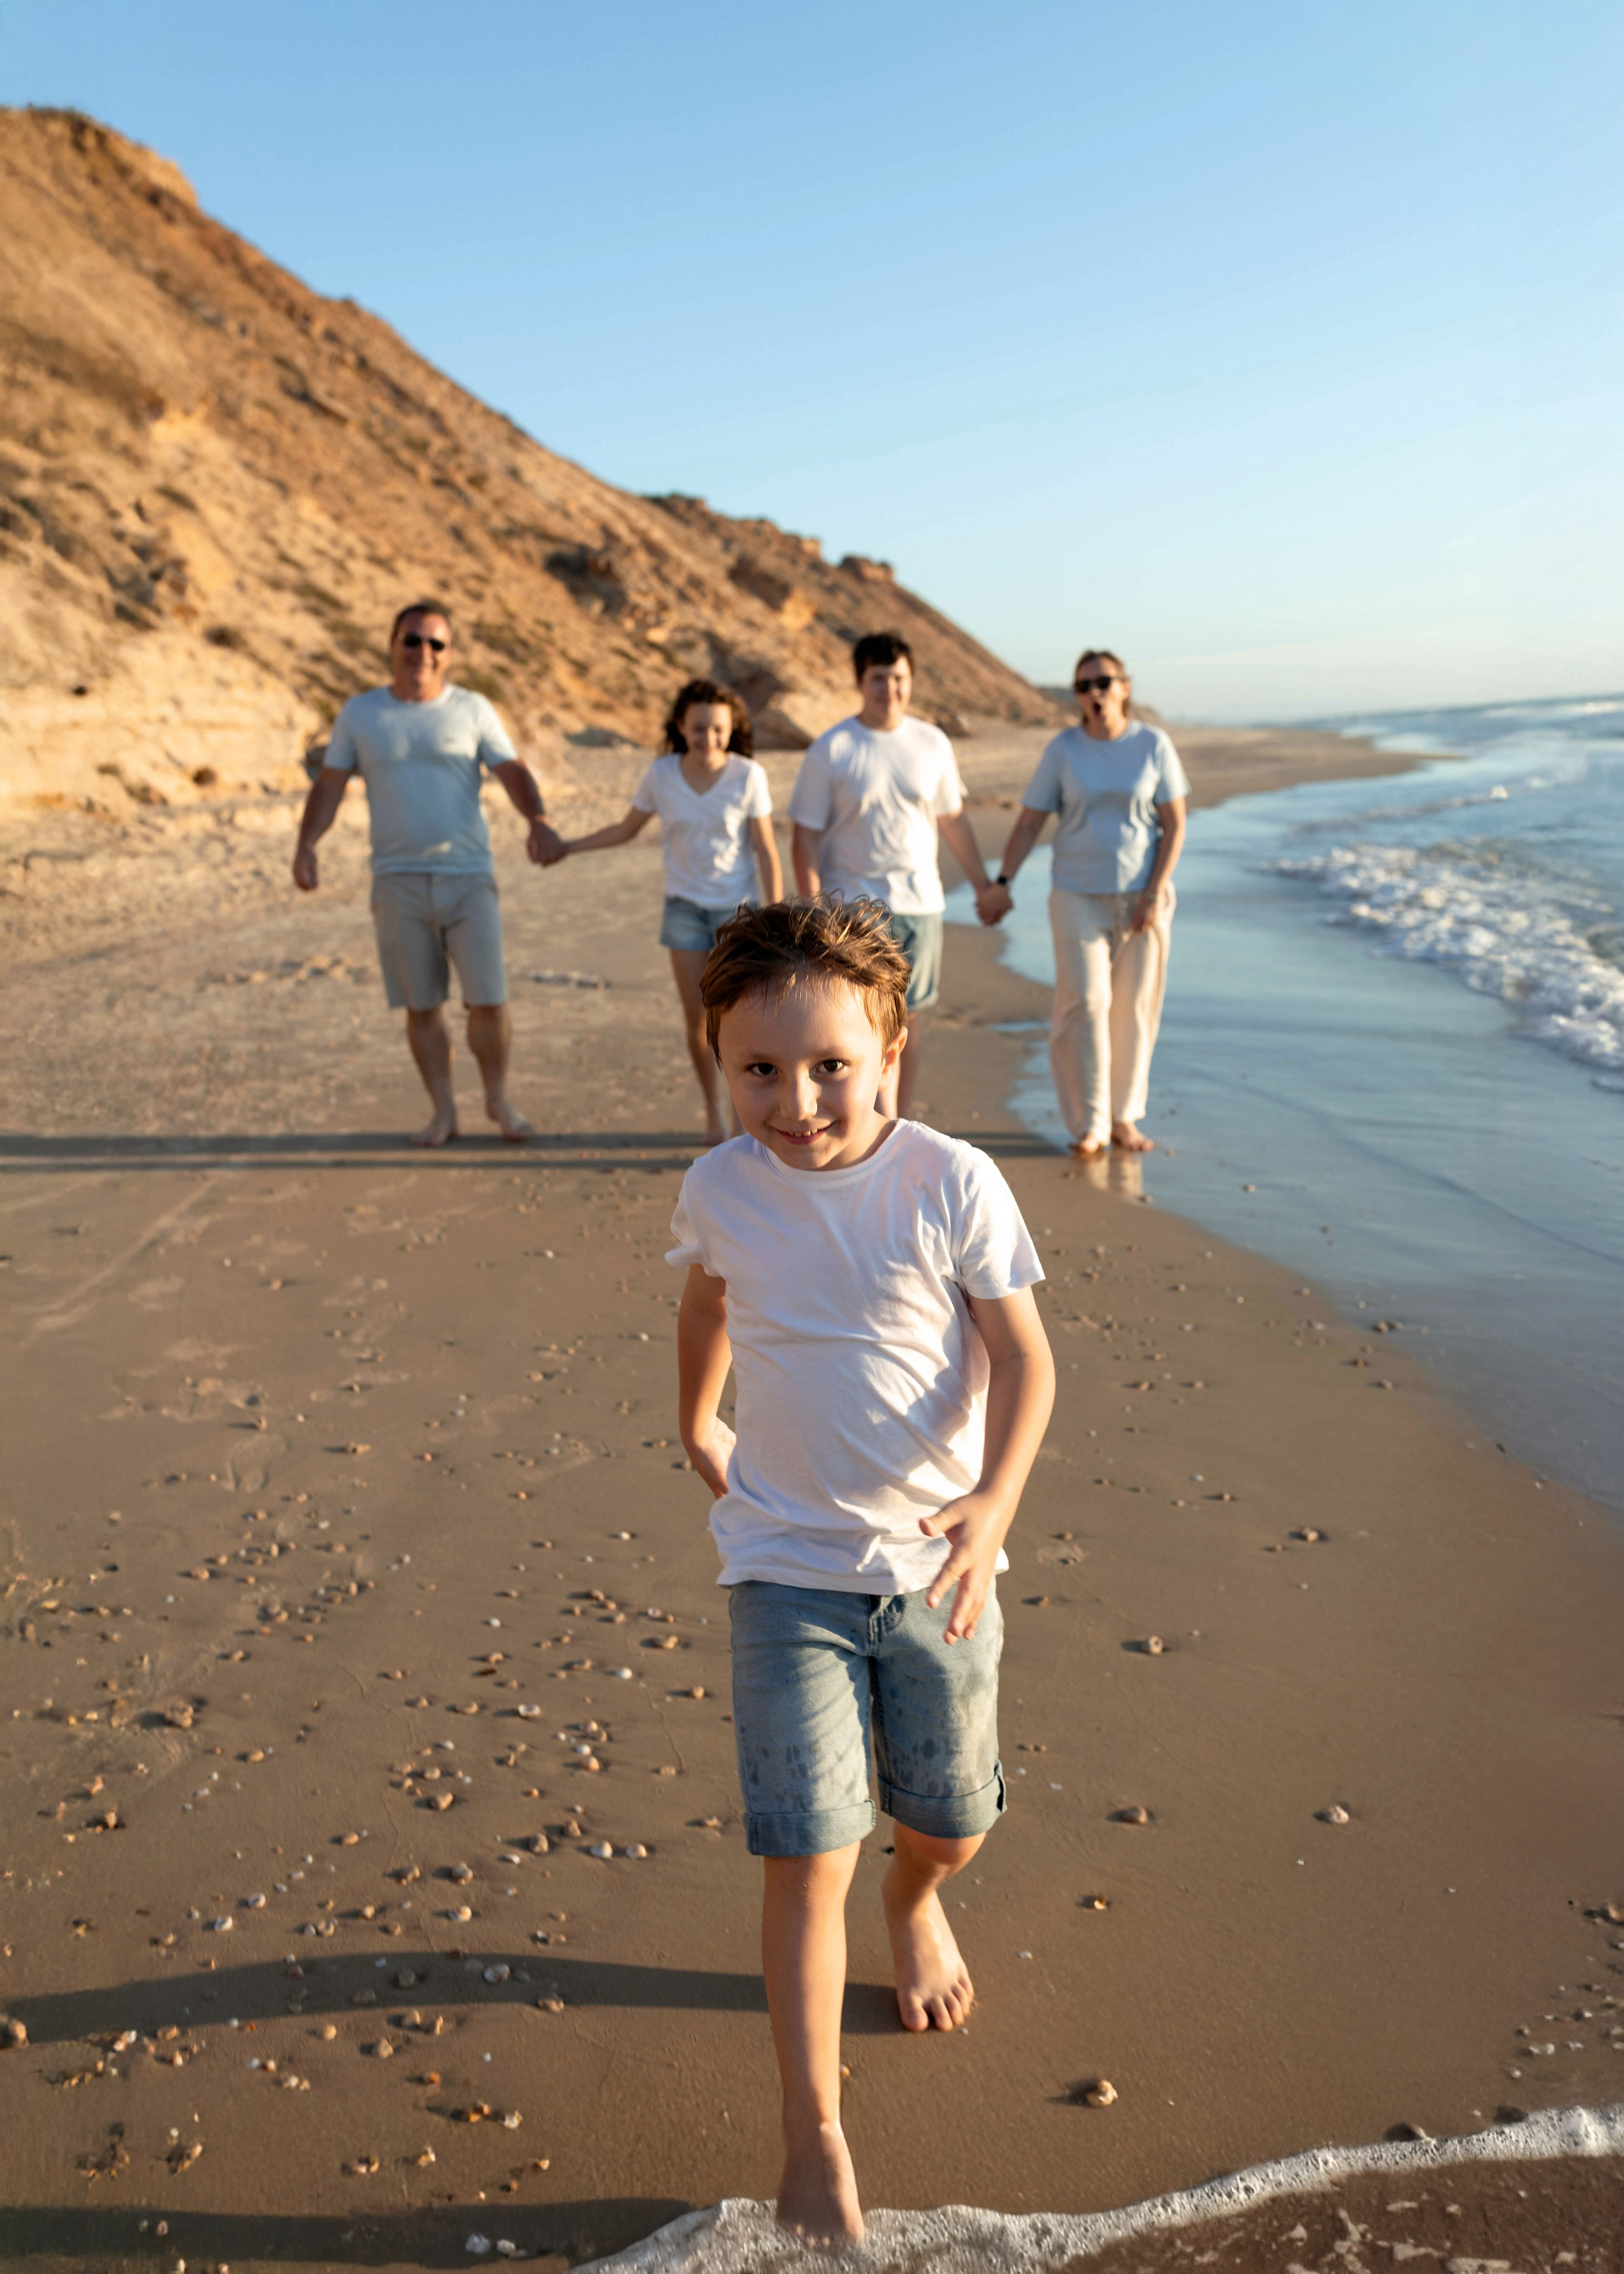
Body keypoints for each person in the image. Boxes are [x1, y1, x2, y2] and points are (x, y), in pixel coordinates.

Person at [671, 897, 1056, 2245]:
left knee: (948, 1827)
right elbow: (708, 1293)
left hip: (937, 1569)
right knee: (803, 1854)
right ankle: (813, 2132)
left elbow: (1024, 1360)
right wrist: (693, 1420)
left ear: (888, 1049)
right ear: (720, 1061)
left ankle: (918, 1903)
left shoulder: (947, 1181)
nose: (793, 1098)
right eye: (758, 1070)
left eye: (829, 1063)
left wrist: (993, 1508)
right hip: (782, 1564)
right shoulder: (719, 1185)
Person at [292, 601, 562, 1147]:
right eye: (412, 640)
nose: (423, 653)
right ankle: (443, 1112)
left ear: (450, 654)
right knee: (421, 1006)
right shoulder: (362, 714)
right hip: (397, 880)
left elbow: (510, 769)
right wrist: (306, 844)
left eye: (436, 644)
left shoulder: (473, 709)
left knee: (489, 997)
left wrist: (537, 819)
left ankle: (498, 1098)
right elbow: (330, 784)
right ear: (393, 645)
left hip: (467, 875)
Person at [550, 678, 781, 1143]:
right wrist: (567, 847)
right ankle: (713, 1114)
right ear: (681, 726)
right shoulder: (662, 775)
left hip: (739, 917)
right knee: (696, 1020)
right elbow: (625, 829)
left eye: (718, 730)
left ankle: (743, 1118)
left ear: (731, 729)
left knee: (740, 1019)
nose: (709, 739)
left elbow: (766, 850)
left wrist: (777, 922)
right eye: (699, 729)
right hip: (683, 912)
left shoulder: (747, 776)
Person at [789, 632, 1004, 1118]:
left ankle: (897, 1127)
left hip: (921, 904)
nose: (891, 688)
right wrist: (814, 906)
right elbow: (804, 835)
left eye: (900, 678)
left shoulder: (932, 742)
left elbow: (952, 820)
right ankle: (867, 1120)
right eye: (880, 678)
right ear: (861, 682)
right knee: (858, 1021)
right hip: (853, 909)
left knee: (909, 1021)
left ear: (911, 682)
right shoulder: (834, 748)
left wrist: (983, 886)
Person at [982, 648, 1188, 1156]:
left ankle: (1124, 1119)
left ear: (1124, 687)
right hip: (1077, 895)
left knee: (1135, 1010)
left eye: (1103, 683)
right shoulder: (1064, 750)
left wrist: (1154, 891)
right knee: (1086, 1004)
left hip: (1143, 897)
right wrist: (1002, 880)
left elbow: (1175, 823)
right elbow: (1031, 821)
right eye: (1084, 686)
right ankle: (1090, 1123)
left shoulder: (1152, 745)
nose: (1094, 694)